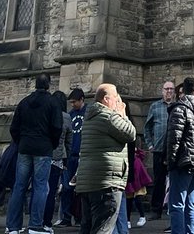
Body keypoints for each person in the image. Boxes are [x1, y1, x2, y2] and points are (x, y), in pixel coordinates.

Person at [7, 72, 65, 234]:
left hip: (25, 147)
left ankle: (13, 227)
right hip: (43, 149)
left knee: (19, 187)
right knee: (40, 187)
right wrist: (51, 144)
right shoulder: (53, 103)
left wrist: (21, 142)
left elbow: (14, 128)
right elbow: (57, 127)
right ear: (48, 85)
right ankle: (35, 225)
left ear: (35, 85)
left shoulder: (24, 102)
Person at [74, 83, 136, 234]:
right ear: (107, 99)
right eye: (116, 97)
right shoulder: (109, 116)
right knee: (103, 228)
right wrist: (123, 115)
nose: (118, 101)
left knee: (88, 227)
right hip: (106, 183)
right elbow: (130, 133)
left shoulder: (90, 117)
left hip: (88, 183)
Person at [165, 76, 194, 234]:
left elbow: (173, 139)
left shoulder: (179, 108)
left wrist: (170, 162)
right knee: (190, 206)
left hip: (183, 162)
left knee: (177, 205)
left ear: (182, 90)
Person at [143, 80, 175, 221]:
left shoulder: (177, 106)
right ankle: (156, 210)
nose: (169, 91)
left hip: (174, 150)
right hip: (159, 149)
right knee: (158, 181)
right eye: (166, 89)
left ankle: (173, 209)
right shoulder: (155, 107)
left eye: (171, 89)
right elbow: (147, 127)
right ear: (162, 90)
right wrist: (150, 144)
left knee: (175, 180)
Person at [58, 88, 88, 226]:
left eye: (74, 102)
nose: (72, 105)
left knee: (83, 189)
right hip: (71, 156)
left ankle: (81, 217)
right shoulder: (69, 115)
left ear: (82, 99)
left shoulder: (88, 113)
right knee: (67, 188)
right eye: (70, 102)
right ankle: (66, 217)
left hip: (84, 155)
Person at [45, 91, 73, 230]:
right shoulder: (66, 117)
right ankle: (46, 223)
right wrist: (66, 159)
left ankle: (36, 220)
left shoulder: (46, 113)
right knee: (51, 192)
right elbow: (69, 141)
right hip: (57, 158)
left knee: (39, 189)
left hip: (42, 155)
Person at [126, 142, 152, 228]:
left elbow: (142, 154)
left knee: (138, 200)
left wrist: (136, 149)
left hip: (139, 181)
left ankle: (142, 216)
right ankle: (128, 220)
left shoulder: (137, 156)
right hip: (129, 181)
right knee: (128, 202)